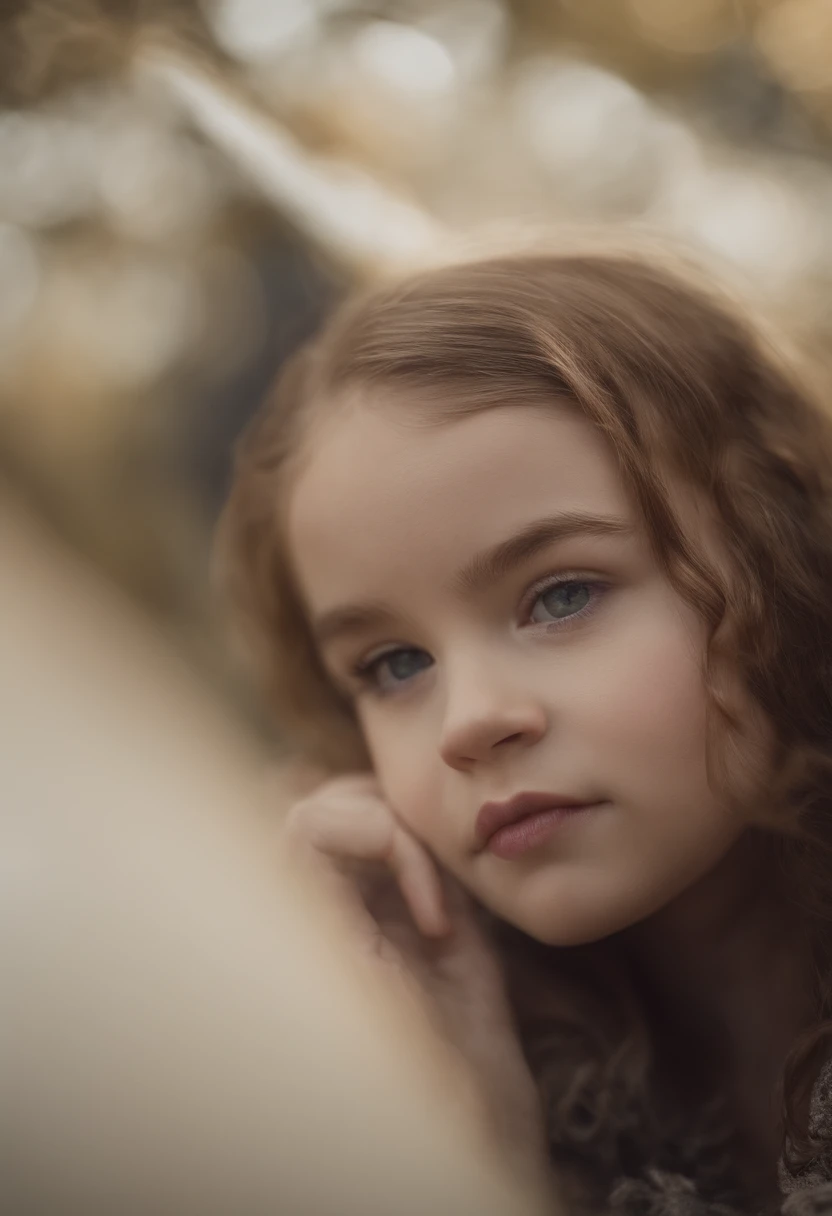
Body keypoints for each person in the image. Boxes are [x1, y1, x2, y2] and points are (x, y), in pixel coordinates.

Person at [215, 247, 832, 1216]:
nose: (467, 724)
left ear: (781, 550)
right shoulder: (447, 1062)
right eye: (394, 665)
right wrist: (463, 1149)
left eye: (562, 593)